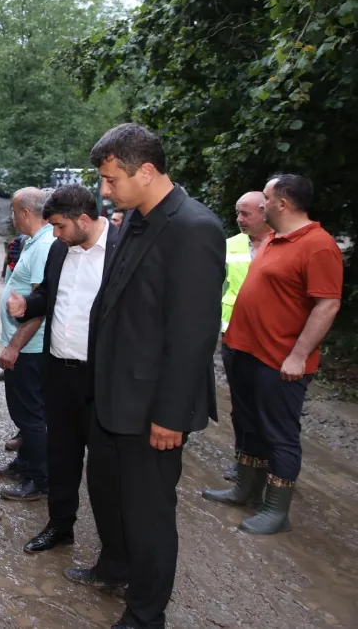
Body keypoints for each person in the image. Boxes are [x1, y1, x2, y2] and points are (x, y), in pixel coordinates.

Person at [67, 124, 225, 629]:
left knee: (149, 514)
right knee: (107, 491)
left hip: (152, 405)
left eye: (111, 180)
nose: (104, 190)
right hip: (112, 393)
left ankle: (145, 614)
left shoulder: (193, 227)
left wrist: (171, 415)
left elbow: (194, 334)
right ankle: (114, 564)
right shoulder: (135, 219)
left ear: (148, 171)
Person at [203, 174, 343, 535]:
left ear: (282, 203)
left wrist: (298, 355)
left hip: (280, 358)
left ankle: (276, 510)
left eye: (265, 198)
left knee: (279, 432)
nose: (260, 204)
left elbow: (327, 305)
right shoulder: (273, 239)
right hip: (244, 350)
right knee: (248, 423)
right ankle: (246, 488)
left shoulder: (318, 245)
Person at [6, 183, 120, 554]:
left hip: (102, 377)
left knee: (106, 469)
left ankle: (114, 550)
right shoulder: (59, 249)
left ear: (83, 220)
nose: (54, 234)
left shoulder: (122, 251)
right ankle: (60, 526)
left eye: (60, 226)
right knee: (62, 455)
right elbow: (49, 295)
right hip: (59, 371)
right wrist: (28, 305)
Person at [0, 188, 55, 500]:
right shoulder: (34, 242)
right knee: (24, 413)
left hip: (30, 348)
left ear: (26, 213)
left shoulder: (44, 247)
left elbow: (39, 306)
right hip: (26, 347)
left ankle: (40, 480)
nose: (11, 217)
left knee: (31, 416)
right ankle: (25, 463)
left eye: (14, 211)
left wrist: (14, 345)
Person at [218, 191, 271, 482]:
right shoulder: (230, 245)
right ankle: (244, 461)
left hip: (269, 338)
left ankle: (276, 465)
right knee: (241, 405)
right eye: (237, 213)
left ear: (265, 212)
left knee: (270, 406)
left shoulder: (282, 244)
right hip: (233, 335)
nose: (239, 220)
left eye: (246, 213)